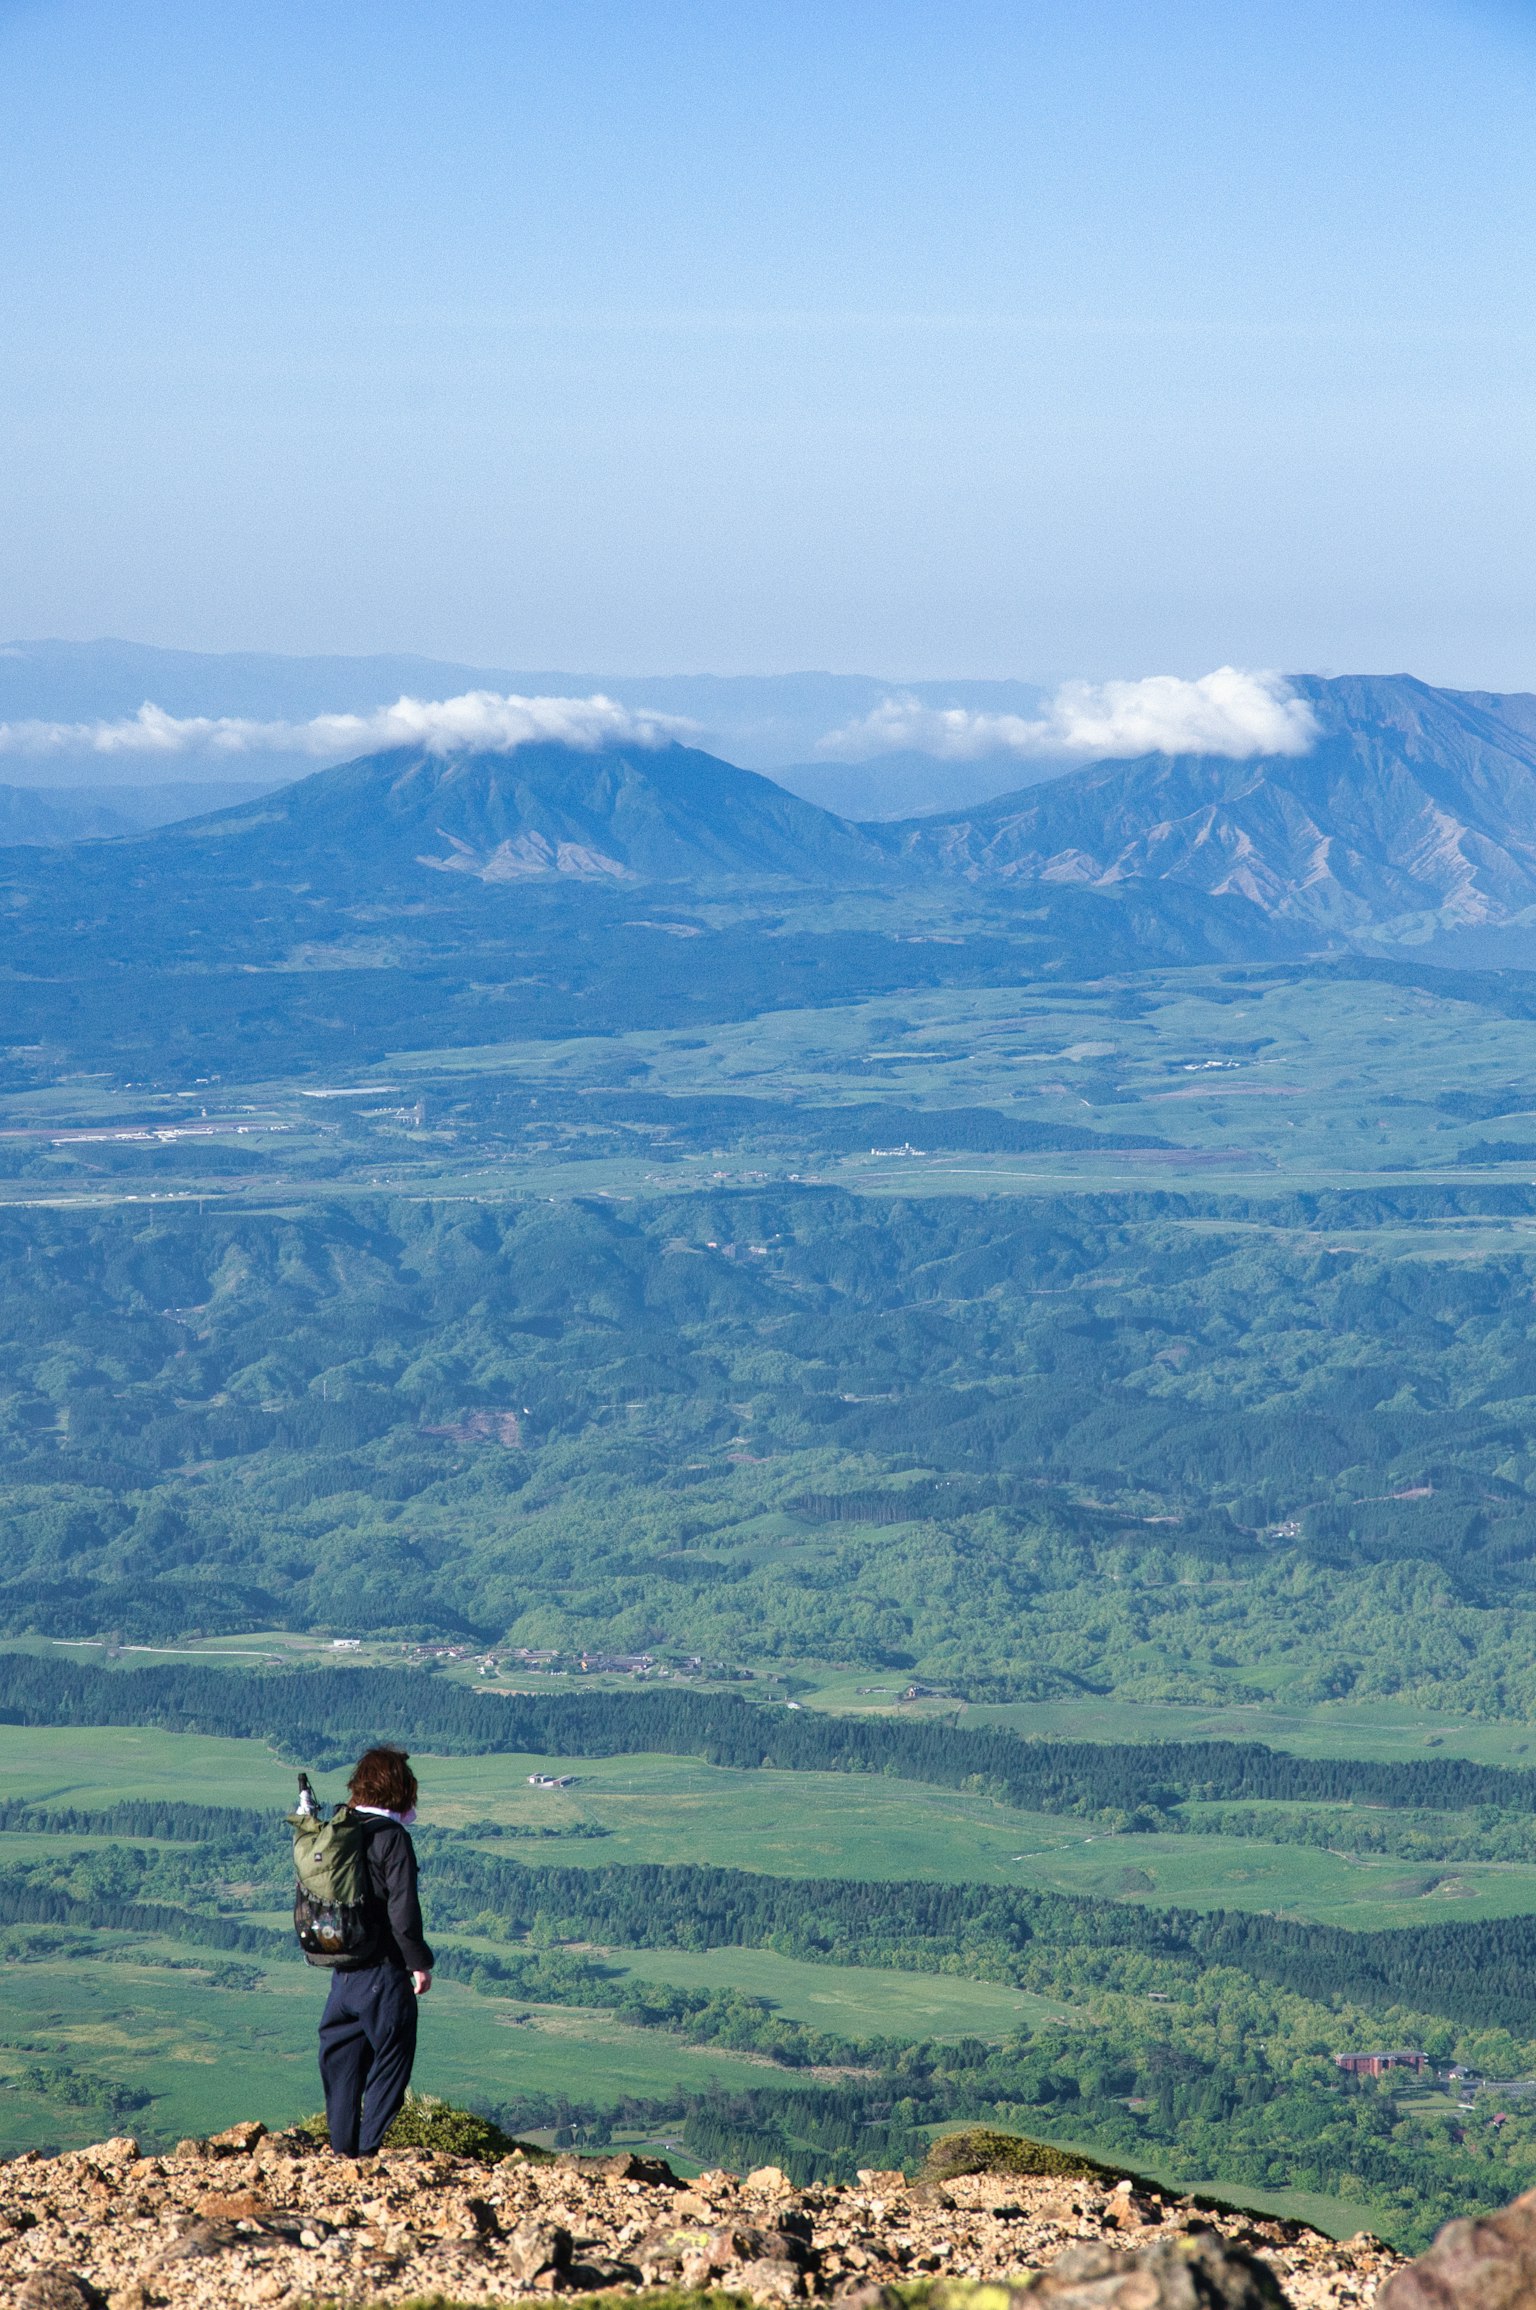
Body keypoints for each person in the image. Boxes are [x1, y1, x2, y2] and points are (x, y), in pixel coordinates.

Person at [317, 1744, 434, 2157]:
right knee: (392, 2062)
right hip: (383, 1973)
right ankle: (366, 2157)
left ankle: (341, 2155)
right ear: (400, 1789)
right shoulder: (393, 1838)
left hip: (341, 1972)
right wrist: (419, 1964)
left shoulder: (340, 1831)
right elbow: (403, 1913)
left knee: (342, 2070)